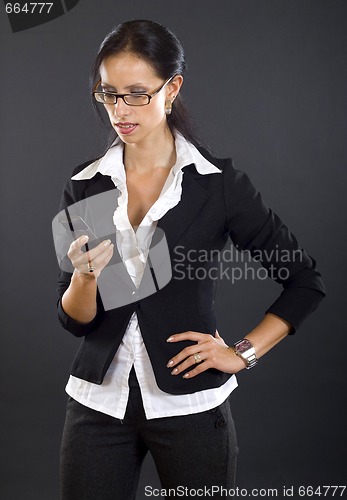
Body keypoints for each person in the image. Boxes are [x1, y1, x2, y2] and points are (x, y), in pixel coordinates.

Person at [55, 19, 325, 500]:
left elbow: (305, 281)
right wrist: (84, 276)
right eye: (108, 93)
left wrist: (241, 354)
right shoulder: (86, 182)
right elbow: (76, 320)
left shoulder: (215, 184)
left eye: (137, 93)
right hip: (96, 403)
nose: (120, 109)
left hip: (192, 407)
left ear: (172, 87)